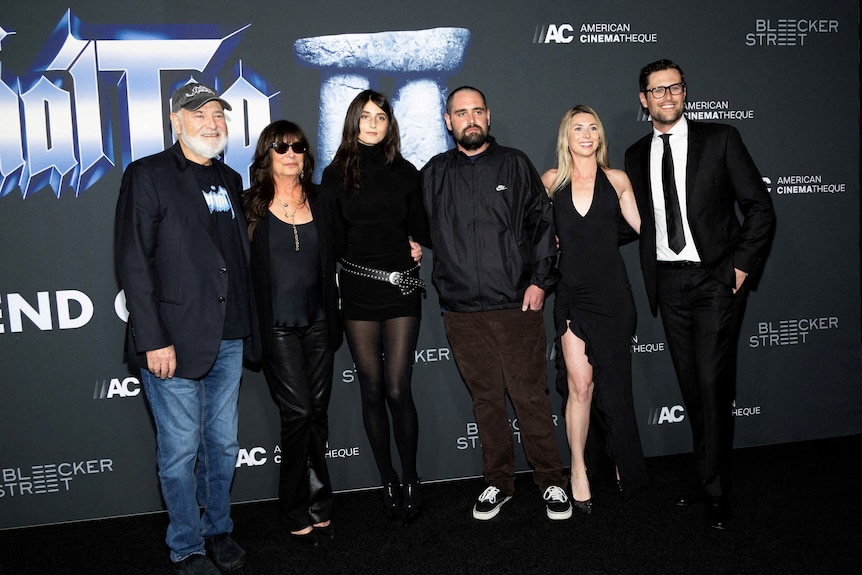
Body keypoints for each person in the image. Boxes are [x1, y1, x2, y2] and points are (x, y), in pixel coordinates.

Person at [624, 60, 775, 529]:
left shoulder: (720, 139)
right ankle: (705, 474)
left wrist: (739, 268)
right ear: (643, 100)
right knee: (692, 387)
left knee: (711, 382)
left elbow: (760, 208)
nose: (666, 96)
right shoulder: (633, 155)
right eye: (656, 90)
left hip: (715, 281)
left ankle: (716, 489)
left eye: (674, 88)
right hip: (668, 283)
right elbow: (636, 220)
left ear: (684, 93)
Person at [115, 83, 258, 575]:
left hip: (230, 336)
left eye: (219, 114)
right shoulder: (149, 174)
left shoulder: (231, 177)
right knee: (179, 451)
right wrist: (152, 338)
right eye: (200, 114)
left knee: (222, 446)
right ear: (176, 121)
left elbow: (234, 260)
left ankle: (218, 530)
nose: (212, 122)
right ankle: (187, 545)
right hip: (172, 340)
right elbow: (134, 262)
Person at [421, 86, 571, 521]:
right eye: (460, 112)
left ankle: (551, 481)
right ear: (448, 121)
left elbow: (543, 225)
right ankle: (498, 483)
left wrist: (541, 281)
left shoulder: (515, 163)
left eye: (477, 111)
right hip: (462, 310)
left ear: (489, 117)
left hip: (516, 304)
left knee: (529, 396)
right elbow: (417, 227)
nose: (470, 119)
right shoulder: (433, 173)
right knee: (486, 401)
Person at [321, 90, 430, 523]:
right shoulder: (334, 176)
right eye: (365, 116)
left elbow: (420, 227)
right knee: (370, 388)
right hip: (358, 289)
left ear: (389, 124)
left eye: (380, 117)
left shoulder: (406, 172)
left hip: (401, 286)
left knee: (398, 388)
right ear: (353, 122)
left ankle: (411, 477)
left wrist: (417, 244)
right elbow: (329, 239)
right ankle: (386, 478)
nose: (372, 123)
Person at [541, 105, 650, 513]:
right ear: (565, 137)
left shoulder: (617, 180)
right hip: (571, 295)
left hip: (613, 297)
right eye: (577, 128)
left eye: (592, 128)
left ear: (600, 136)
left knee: (617, 385)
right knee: (579, 385)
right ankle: (579, 468)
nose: (586, 135)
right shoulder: (550, 182)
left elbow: (647, 230)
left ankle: (623, 459)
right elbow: (535, 237)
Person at [244, 121, 342, 546]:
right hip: (277, 328)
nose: (290, 153)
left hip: (320, 323)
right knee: (298, 413)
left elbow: (356, 243)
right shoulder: (248, 206)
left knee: (316, 416)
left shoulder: (323, 200)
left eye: (298, 147)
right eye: (280, 146)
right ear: (267, 153)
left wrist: (407, 245)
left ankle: (319, 504)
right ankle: (292, 506)